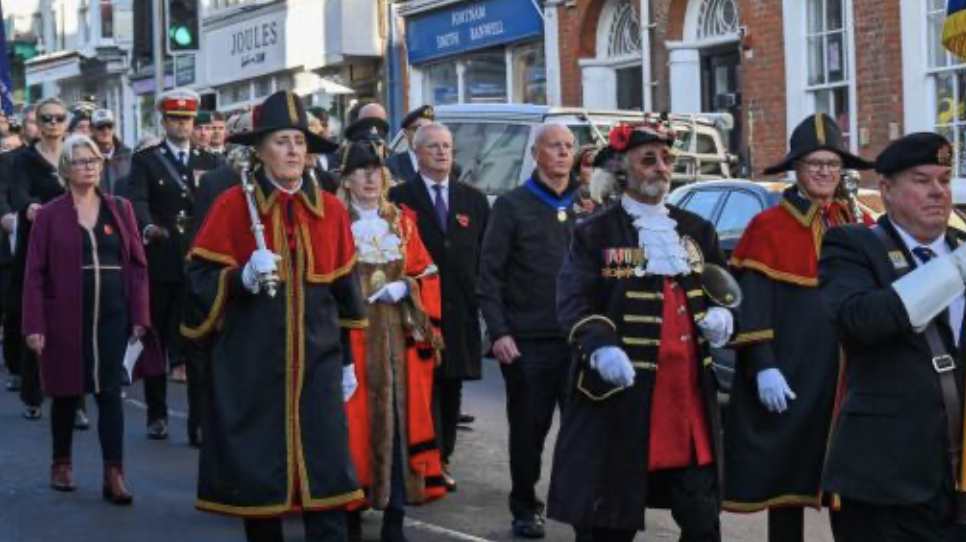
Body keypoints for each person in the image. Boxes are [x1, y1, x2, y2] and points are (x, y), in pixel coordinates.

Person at [184, 90, 364, 542]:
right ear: (261, 150)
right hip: (253, 370)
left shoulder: (333, 211)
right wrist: (239, 278)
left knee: (327, 488)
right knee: (261, 492)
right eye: (283, 141)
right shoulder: (231, 205)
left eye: (300, 143)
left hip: (318, 371)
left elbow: (346, 297)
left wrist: (346, 360)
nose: (294, 151)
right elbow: (198, 280)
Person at [549, 120, 732, 542]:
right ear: (623, 170)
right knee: (608, 519)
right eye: (648, 160)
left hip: (686, 399)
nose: (660, 168)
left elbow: (721, 288)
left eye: (667, 160)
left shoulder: (696, 231)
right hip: (622, 400)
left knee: (703, 519)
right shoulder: (596, 232)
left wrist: (725, 317)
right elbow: (575, 299)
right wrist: (600, 347)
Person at [723, 113, 873, 541]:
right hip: (793, 374)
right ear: (797, 169)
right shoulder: (767, 227)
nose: (825, 172)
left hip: (849, 379)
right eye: (815, 164)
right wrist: (764, 365)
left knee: (851, 485)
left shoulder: (857, 224)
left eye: (832, 164)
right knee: (785, 482)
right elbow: (751, 308)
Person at [819, 132, 966, 541]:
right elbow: (860, 320)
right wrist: (955, 270)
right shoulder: (852, 245)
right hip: (884, 477)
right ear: (885, 189)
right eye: (921, 180)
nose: (937, 192)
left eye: (943, 179)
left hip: (958, 481)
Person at [21, 134, 153, 504]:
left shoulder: (120, 208)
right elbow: (34, 273)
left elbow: (139, 267)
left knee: (110, 393)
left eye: (93, 159)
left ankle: (115, 474)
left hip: (113, 315)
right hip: (63, 314)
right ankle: (61, 462)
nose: (89, 165)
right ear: (65, 169)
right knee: (66, 392)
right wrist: (34, 325)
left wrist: (140, 314)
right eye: (79, 161)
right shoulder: (48, 215)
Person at [476, 124, 585, 539]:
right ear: (536, 154)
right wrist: (499, 331)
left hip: (579, 341)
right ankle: (525, 506)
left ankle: (580, 507)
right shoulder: (512, 205)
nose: (563, 153)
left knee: (582, 433)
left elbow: (613, 266)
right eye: (554, 146)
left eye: (569, 147)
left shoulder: (587, 204)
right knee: (528, 432)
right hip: (527, 343)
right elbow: (488, 275)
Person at [339, 140, 447, 542]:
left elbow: (428, 272)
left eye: (376, 170)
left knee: (400, 427)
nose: (370, 177)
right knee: (352, 431)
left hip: (397, 344)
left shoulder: (402, 222)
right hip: (351, 341)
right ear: (346, 179)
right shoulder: (334, 220)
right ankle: (349, 515)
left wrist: (406, 289)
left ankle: (395, 517)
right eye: (361, 170)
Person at [389, 123, 489, 492]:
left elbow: (485, 256)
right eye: (433, 146)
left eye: (447, 146)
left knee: (451, 390)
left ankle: (443, 458)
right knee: (421, 389)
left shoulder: (473, 200)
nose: (442, 152)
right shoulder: (399, 198)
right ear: (417, 153)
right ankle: (418, 461)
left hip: (459, 311)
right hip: (416, 311)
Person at [127, 88, 222, 441]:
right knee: (157, 341)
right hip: (162, 258)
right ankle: (157, 413)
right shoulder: (147, 160)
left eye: (186, 119)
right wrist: (148, 226)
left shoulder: (210, 160)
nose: (181, 125)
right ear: (163, 121)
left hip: (198, 261)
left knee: (197, 343)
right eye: (174, 119)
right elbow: (137, 199)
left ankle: (198, 422)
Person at [8, 97, 71, 421]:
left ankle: (75, 402)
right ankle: (33, 393)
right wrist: (29, 207)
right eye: (46, 119)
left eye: (58, 118)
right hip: (35, 245)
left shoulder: (76, 154)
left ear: (66, 122)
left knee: (73, 322)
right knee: (34, 318)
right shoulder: (24, 159)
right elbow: (17, 192)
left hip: (72, 246)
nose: (52, 124)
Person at [386, 106, 434, 181]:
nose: (424, 134)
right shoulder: (392, 164)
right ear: (406, 133)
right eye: (417, 129)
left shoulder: (443, 162)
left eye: (429, 129)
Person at [90, 109, 132, 195]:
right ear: (92, 129)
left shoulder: (129, 156)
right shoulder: (86, 158)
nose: (106, 131)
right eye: (100, 127)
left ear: (114, 128)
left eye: (109, 126)